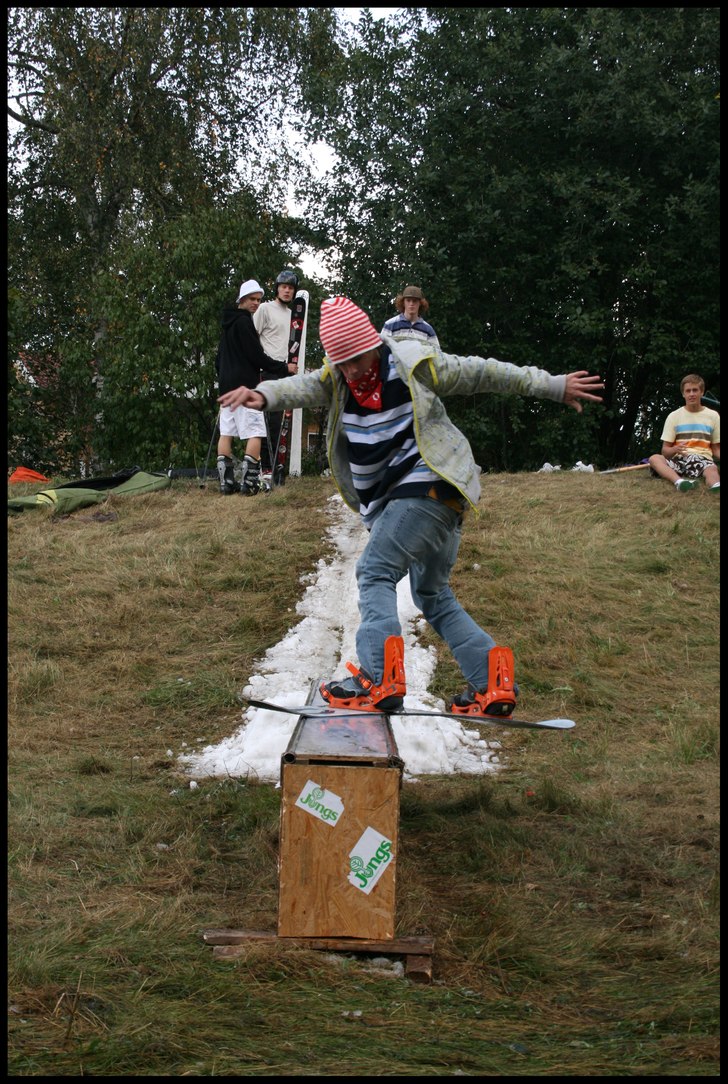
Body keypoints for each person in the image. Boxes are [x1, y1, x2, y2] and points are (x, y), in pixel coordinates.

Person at [218, 296, 604, 713]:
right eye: (342, 364)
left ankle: (378, 677)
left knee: (374, 570)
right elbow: (306, 384)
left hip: (428, 484)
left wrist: (552, 384)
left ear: (373, 345)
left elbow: (484, 372)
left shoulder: (416, 363)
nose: (352, 372)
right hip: (433, 505)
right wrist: (262, 394)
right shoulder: (338, 378)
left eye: (358, 360)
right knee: (432, 594)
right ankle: (490, 681)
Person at [215, 279, 298, 495]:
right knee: (256, 432)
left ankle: (226, 483)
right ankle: (250, 483)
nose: (256, 303)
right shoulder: (244, 323)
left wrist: (224, 378)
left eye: (259, 300)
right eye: (252, 299)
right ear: (242, 299)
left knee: (227, 432)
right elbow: (257, 356)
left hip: (226, 387)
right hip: (245, 387)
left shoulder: (228, 323)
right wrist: (283, 368)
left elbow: (219, 358)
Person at [254, 270, 299, 475]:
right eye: (284, 287)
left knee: (281, 423)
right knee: (267, 421)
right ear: (277, 288)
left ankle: (276, 467)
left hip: (286, 373)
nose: (287, 291)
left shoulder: (294, 316)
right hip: (267, 372)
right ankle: (263, 467)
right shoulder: (265, 309)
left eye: (290, 288)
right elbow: (252, 337)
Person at [648, 374, 720, 493]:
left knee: (712, 469)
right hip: (679, 460)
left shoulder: (713, 416)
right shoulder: (673, 416)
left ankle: (716, 486)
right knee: (654, 458)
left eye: (695, 390)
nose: (691, 394)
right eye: (688, 391)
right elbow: (665, 451)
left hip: (703, 459)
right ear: (683, 394)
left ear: (702, 392)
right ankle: (680, 482)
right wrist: (675, 449)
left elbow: (716, 449)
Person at [382, 284, 440, 349]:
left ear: (420, 303)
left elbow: (437, 354)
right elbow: (382, 351)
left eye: (415, 301)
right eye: (408, 300)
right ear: (403, 302)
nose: (411, 304)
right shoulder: (390, 325)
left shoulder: (428, 330)